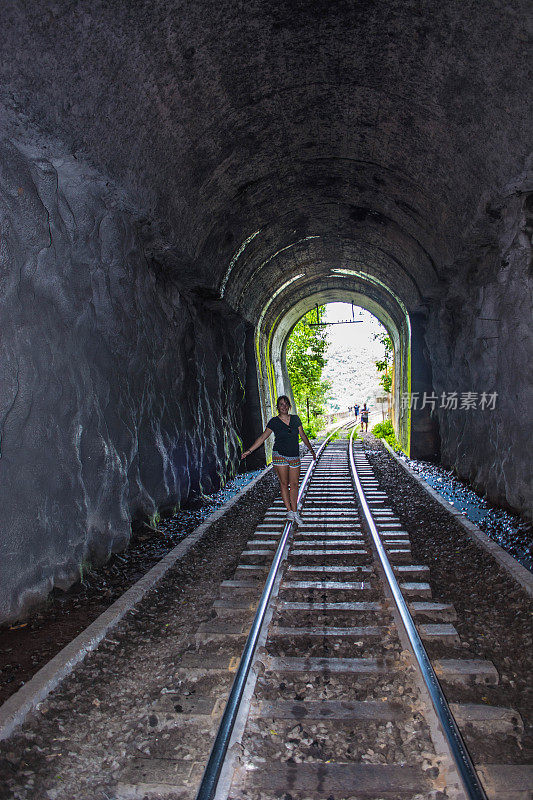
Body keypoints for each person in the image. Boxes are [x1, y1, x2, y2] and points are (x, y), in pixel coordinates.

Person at [241, 395, 316, 525]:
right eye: (281, 404)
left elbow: (303, 435)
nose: (284, 406)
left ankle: (295, 511)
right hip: (279, 455)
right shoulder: (274, 422)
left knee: (294, 484)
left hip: (294, 455)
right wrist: (249, 451)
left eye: (286, 404)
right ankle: (290, 511)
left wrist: (311, 450)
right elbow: (262, 437)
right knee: (284, 483)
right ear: (278, 407)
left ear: (289, 406)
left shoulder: (295, 419)